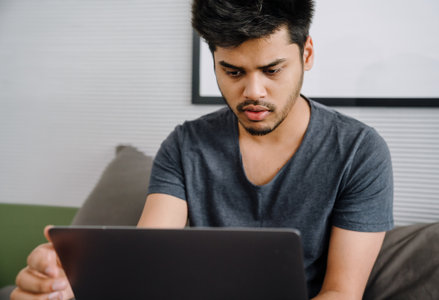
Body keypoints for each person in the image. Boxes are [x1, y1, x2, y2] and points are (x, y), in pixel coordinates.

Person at [11, 0, 393, 299]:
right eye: (233, 72)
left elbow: (342, 293)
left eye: (272, 70)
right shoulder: (185, 145)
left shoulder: (359, 152)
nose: (254, 92)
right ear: (214, 60)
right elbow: (148, 262)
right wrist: (65, 287)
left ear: (306, 54)